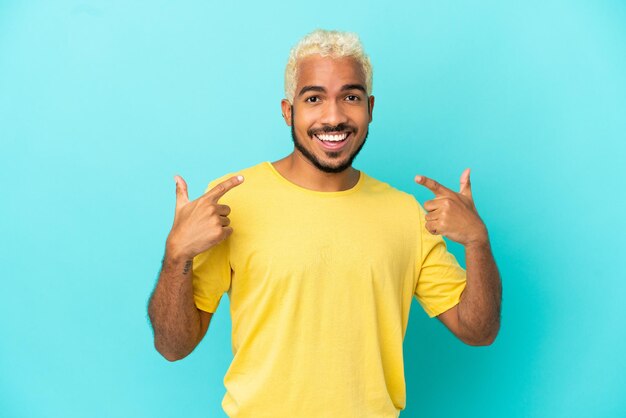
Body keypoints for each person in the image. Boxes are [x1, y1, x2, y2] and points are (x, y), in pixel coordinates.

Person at [147, 29, 502, 418]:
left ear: (370, 108)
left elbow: (478, 331)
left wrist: (477, 244)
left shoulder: (406, 214)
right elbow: (173, 346)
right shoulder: (232, 201)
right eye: (314, 98)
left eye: (350, 98)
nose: (333, 117)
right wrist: (176, 253)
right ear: (288, 110)